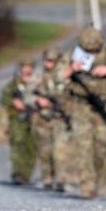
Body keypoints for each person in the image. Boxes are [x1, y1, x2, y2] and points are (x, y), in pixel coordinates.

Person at [57, 27, 106, 199]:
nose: (91, 53)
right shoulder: (72, 55)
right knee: (84, 148)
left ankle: (95, 178)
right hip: (81, 108)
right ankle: (87, 186)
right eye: (88, 50)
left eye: (94, 50)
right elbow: (58, 76)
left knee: (101, 147)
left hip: (103, 108)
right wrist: (72, 69)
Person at [30, 47, 67, 191]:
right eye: (46, 60)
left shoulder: (64, 76)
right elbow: (28, 95)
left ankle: (60, 180)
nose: (47, 63)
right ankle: (47, 179)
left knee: (60, 150)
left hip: (59, 119)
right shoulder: (39, 76)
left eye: (51, 61)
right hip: (43, 119)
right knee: (45, 151)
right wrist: (38, 100)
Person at [0, 56, 38, 185]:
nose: (27, 69)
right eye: (25, 67)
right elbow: (4, 100)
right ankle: (18, 174)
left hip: (34, 119)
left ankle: (26, 175)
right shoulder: (14, 84)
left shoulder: (37, 82)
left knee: (31, 147)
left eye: (29, 67)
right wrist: (14, 102)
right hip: (17, 119)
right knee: (18, 145)